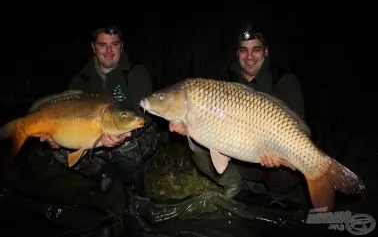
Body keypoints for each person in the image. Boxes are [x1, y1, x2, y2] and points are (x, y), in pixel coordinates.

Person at [169, 23, 309, 208]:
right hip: (239, 156)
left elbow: (300, 130)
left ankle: (277, 195)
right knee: (197, 143)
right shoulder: (226, 84)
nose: (249, 56)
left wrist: (278, 151)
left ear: (266, 52)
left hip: (273, 158)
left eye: (256, 50)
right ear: (237, 53)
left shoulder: (284, 80)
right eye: (243, 50)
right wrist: (188, 128)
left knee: (289, 171)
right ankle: (234, 184)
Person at [40, 25, 158, 194]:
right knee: (60, 153)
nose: (109, 51)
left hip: (134, 133)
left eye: (114, 44)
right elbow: (66, 115)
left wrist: (122, 136)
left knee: (127, 148)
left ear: (122, 46)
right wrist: (56, 137)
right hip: (92, 132)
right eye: (102, 45)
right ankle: (104, 175)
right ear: (93, 47)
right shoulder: (81, 79)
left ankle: (133, 185)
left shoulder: (136, 72)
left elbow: (144, 116)